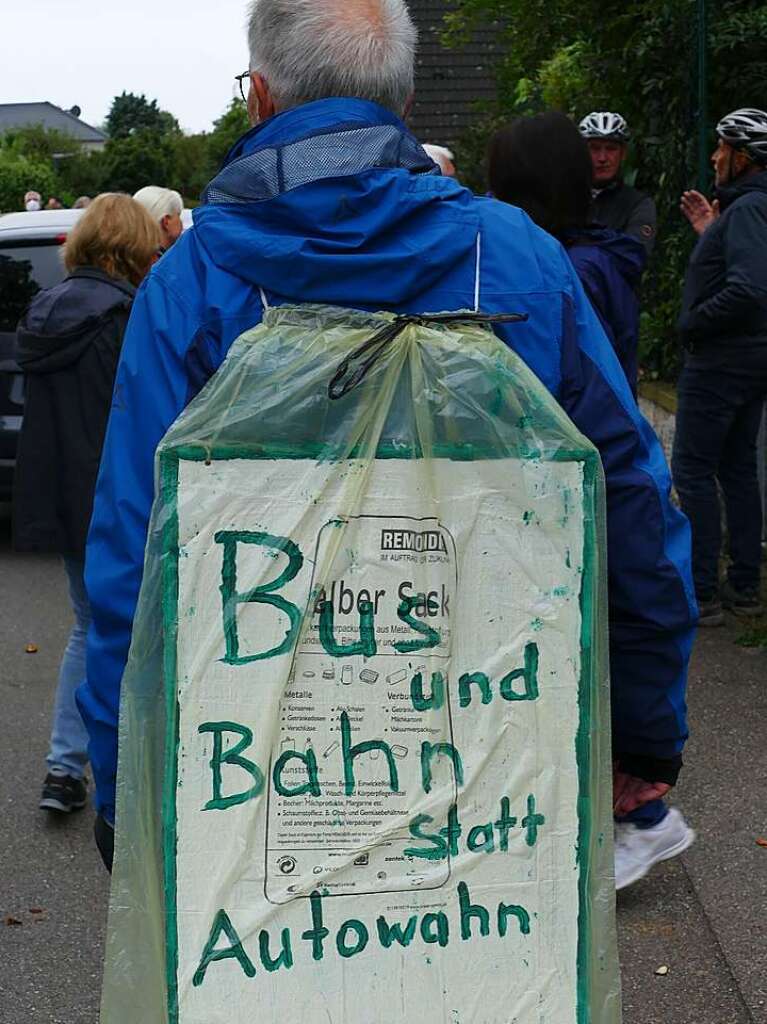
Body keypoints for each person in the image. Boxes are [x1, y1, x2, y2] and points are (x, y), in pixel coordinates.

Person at [78, 0, 696, 890]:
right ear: (403, 107)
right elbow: (627, 491)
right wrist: (640, 721)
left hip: (260, 762)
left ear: (258, 99)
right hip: (497, 733)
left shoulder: (194, 282)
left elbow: (138, 546)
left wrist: (125, 772)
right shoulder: (515, 257)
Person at [488, 111, 693, 882]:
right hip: (589, 479)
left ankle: (639, 816)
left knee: (588, 643)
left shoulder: (545, 271)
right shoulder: (587, 257)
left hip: (569, 490)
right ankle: (621, 811)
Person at [12, 193, 161, 815]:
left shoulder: (43, 309)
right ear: (134, 246)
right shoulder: (125, 316)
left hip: (61, 499)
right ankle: (125, 773)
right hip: (117, 497)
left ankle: (62, 770)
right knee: (133, 635)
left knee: (87, 629)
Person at [672, 108, 767, 626]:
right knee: (734, 468)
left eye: (722, 148)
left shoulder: (750, 209)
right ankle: (745, 584)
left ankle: (703, 590)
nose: (714, 156)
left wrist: (695, 324)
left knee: (692, 469)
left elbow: (750, 287)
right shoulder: (747, 209)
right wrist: (711, 230)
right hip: (748, 356)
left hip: (723, 360)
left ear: (743, 157)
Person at [489, 112, 646, 395]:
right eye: (594, 149)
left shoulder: (570, 271)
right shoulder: (577, 255)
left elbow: (590, 388)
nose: (602, 158)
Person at [579, 111, 657, 256]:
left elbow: (633, 257)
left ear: (623, 154)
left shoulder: (638, 204)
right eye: (594, 148)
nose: (602, 158)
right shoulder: (566, 197)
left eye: (611, 149)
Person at [132, 186, 184, 251]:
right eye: (178, 215)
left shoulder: (125, 254)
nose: (182, 222)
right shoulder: (171, 259)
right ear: (166, 222)